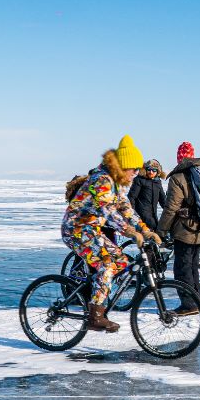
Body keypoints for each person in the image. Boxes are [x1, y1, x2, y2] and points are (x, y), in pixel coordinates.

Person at [62, 135, 158, 332]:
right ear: (124, 166)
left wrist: (145, 230)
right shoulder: (102, 180)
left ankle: (96, 295)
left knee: (121, 261)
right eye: (134, 170)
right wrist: (131, 232)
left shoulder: (116, 183)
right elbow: (110, 212)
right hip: (77, 230)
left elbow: (125, 209)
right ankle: (95, 315)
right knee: (106, 265)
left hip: (90, 229)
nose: (136, 174)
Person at [158, 141, 200, 316]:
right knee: (192, 266)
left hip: (185, 230)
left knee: (182, 268)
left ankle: (189, 304)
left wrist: (161, 231)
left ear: (179, 157)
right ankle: (197, 300)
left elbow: (171, 208)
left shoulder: (178, 177)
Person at [127, 159, 165, 234]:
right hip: (141, 216)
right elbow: (131, 197)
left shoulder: (158, 182)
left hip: (153, 216)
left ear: (157, 171)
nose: (151, 172)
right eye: (149, 169)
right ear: (145, 170)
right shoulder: (139, 180)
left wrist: (170, 211)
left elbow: (163, 200)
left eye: (154, 170)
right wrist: (133, 214)